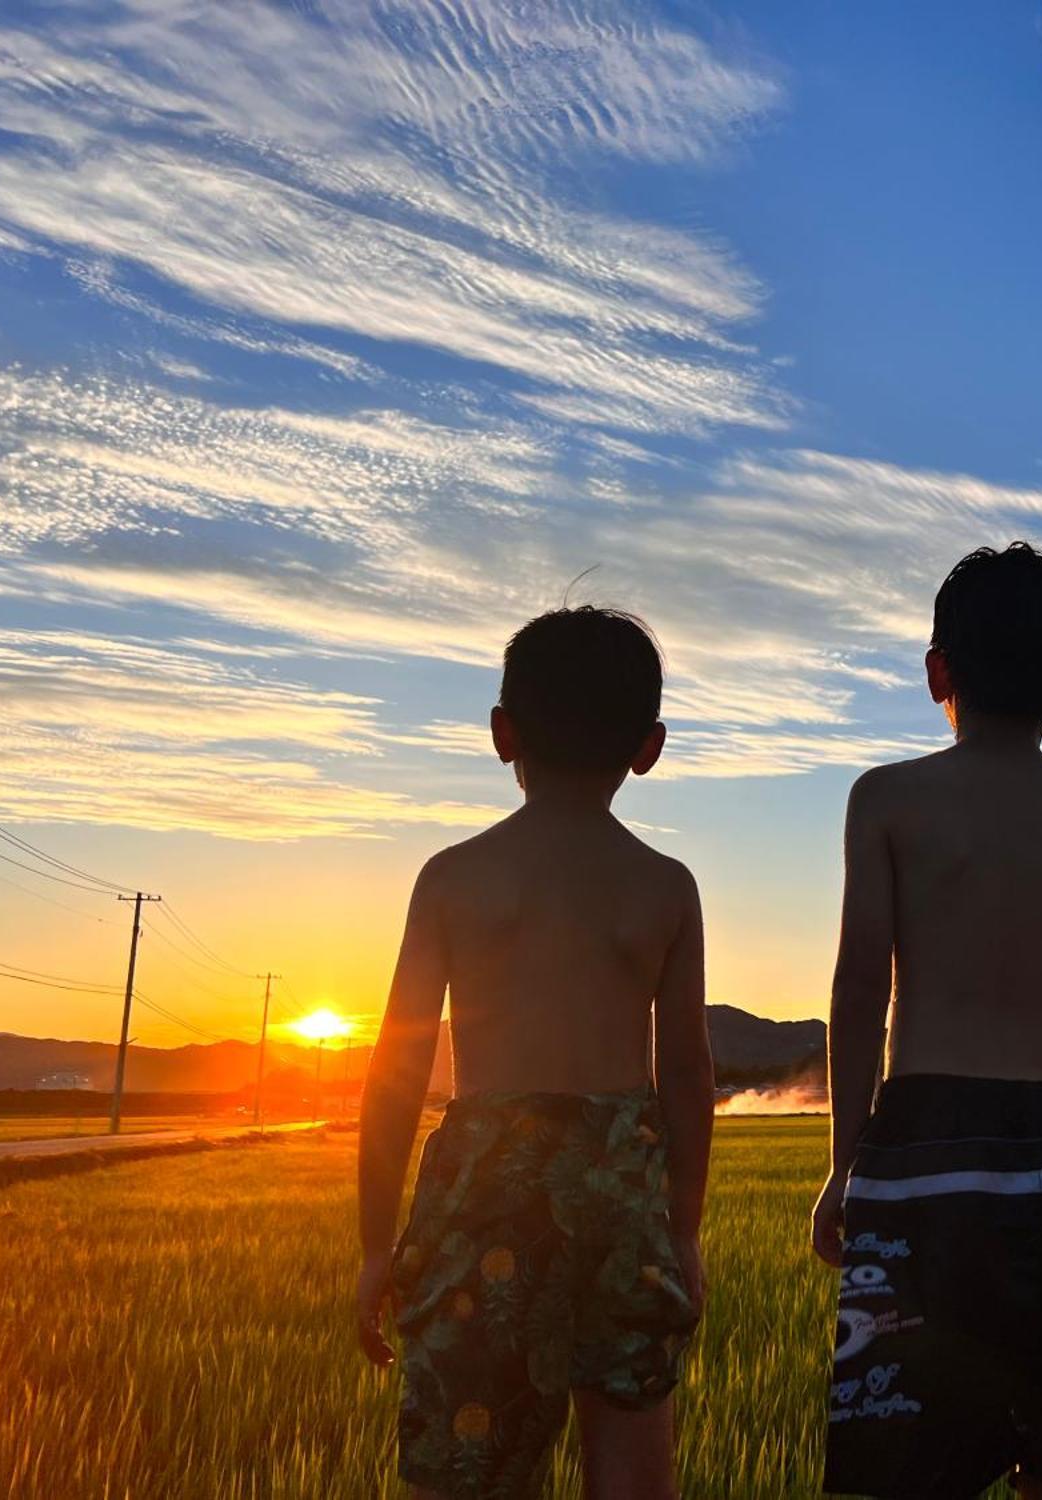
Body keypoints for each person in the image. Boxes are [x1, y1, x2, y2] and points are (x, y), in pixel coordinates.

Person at [354, 607, 713, 1500]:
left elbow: (395, 1073)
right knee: (633, 1463)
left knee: (469, 1461)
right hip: (621, 1186)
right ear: (650, 747)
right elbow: (687, 1077)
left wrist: (373, 1247)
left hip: (484, 1188)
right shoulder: (666, 888)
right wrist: (684, 1232)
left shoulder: (452, 878)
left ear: (501, 733)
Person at [810, 542, 1042, 1500]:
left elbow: (859, 988)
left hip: (923, 1157)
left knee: (903, 1470)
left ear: (936, 673)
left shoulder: (887, 800)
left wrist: (845, 1166)